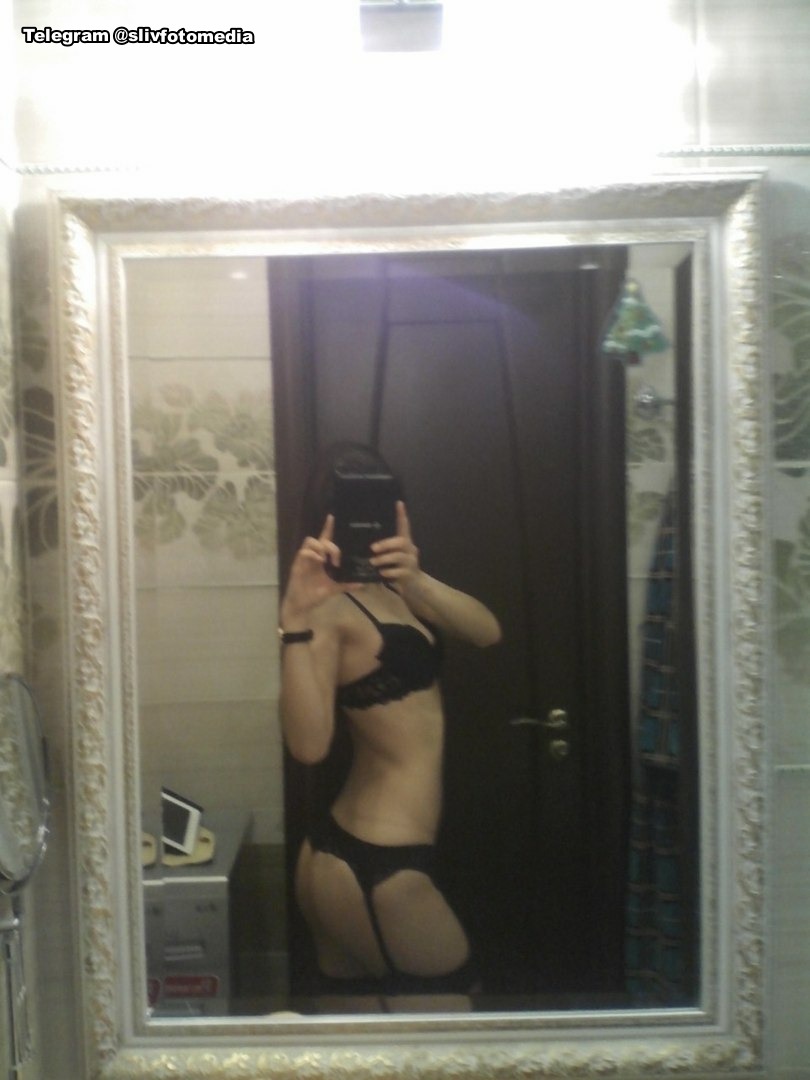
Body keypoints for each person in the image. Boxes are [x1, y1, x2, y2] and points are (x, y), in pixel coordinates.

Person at [279, 443, 502, 1007]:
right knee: (456, 1021)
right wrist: (295, 621)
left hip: (355, 859)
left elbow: (487, 631)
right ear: (326, 516)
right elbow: (308, 748)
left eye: (380, 502)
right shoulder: (327, 608)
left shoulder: (398, 591)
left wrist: (419, 580)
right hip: (375, 866)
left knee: (360, 1042)